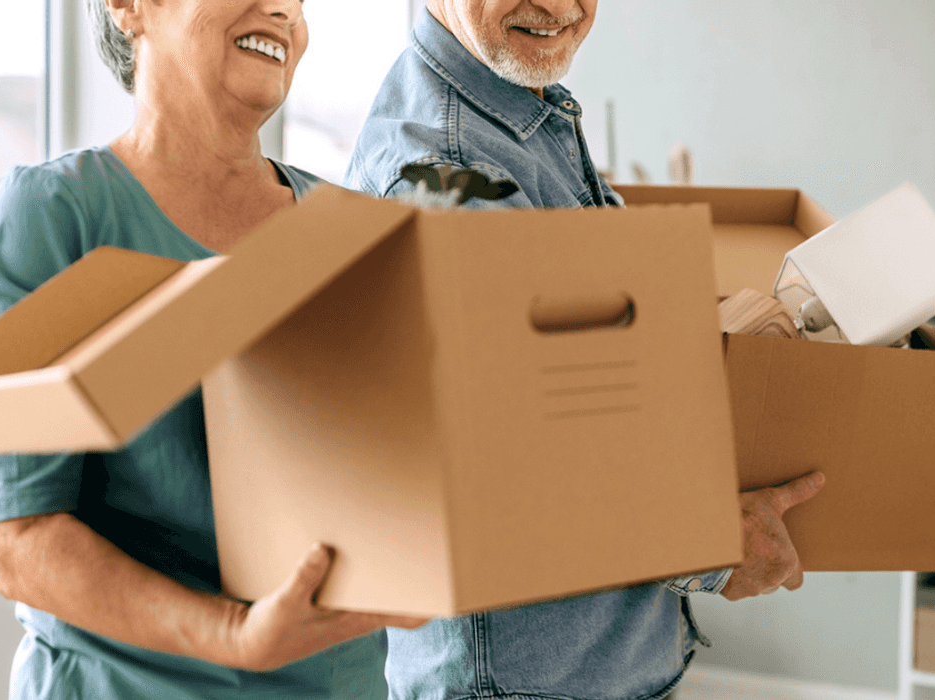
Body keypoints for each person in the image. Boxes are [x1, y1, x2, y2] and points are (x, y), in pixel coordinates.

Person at [0, 0, 424, 698]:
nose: (285, 8)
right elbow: (20, 537)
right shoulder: (55, 216)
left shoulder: (357, 232)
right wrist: (232, 635)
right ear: (131, 7)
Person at [345, 2, 825, 699]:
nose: (561, 7)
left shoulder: (517, 106)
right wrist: (712, 546)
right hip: (522, 680)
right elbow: (508, 460)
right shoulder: (445, 174)